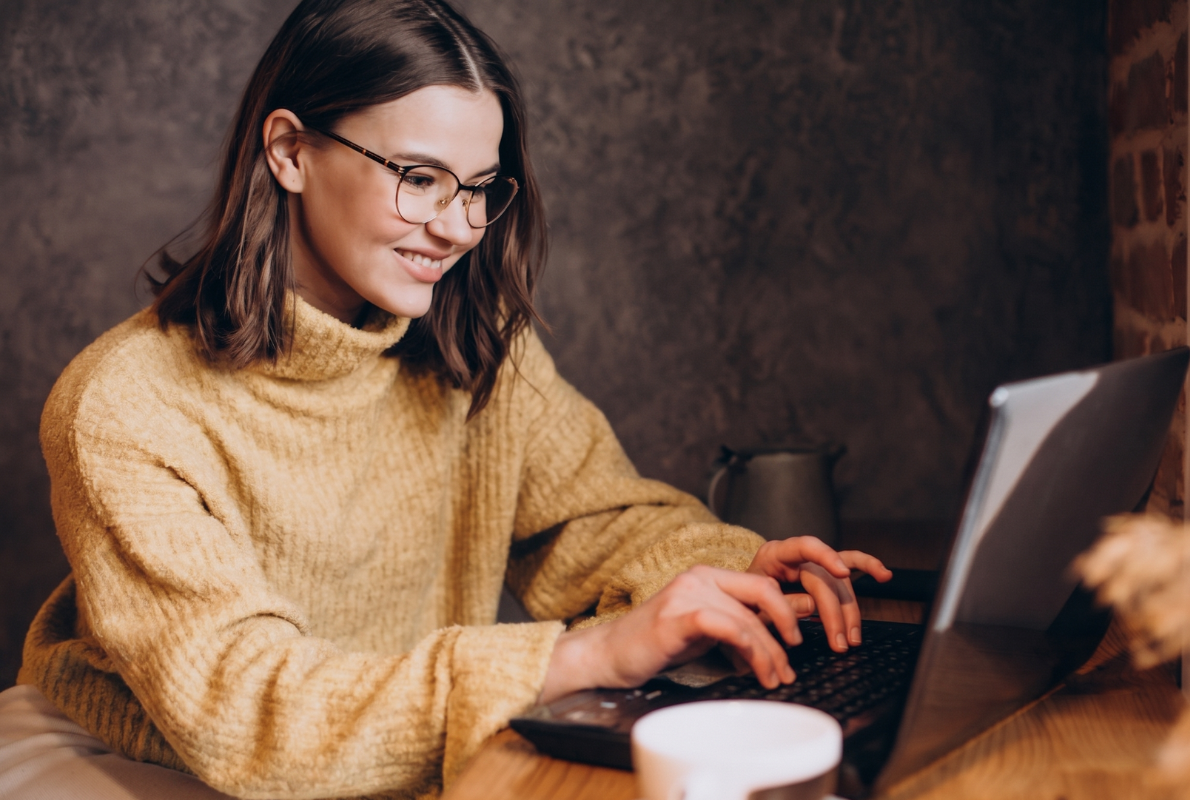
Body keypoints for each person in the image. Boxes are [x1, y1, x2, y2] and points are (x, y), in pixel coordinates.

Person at [0, 1, 891, 798]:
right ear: (289, 151)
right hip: (148, 761)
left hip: (375, 756)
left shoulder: (475, 342)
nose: (459, 227)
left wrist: (736, 570)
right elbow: (245, 710)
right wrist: (583, 656)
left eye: (478, 188)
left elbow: (595, 524)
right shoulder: (121, 405)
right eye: (419, 177)